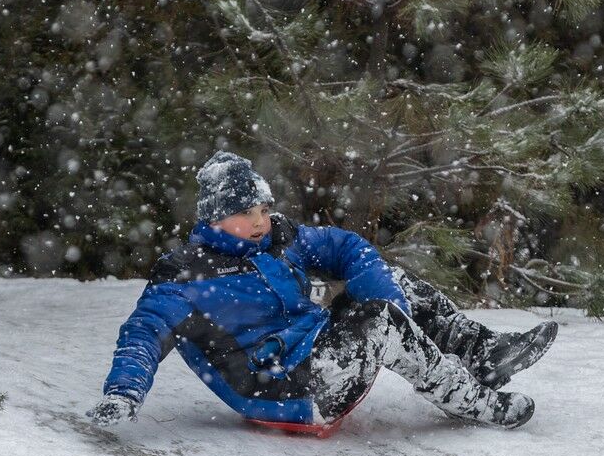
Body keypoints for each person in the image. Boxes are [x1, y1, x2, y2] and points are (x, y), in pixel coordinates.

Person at [87, 151, 557, 432]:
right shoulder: (185, 277)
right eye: (243, 212)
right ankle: (476, 402)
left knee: (393, 284)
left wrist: (386, 295)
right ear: (213, 217)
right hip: (287, 387)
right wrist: (123, 393)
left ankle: (482, 353)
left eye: (263, 207)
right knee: (380, 322)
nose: (258, 221)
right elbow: (144, 333)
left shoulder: (278, 237)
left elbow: (347, 247)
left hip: (319, 349)